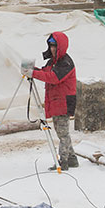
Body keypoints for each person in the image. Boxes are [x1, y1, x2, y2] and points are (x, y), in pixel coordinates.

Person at [26, 32, 78, 170]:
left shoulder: (66, 63)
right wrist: (33, 70)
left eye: (54, 45)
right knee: (61, 132)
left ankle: (64, 161)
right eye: (50, 45)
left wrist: (33, 73)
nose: (52, 48)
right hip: (56, 101)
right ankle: (72, 158)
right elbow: (46, 72)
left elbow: (53, 78)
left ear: (61, 46)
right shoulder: (53, 62)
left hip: (64, 101)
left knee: (62, 133)